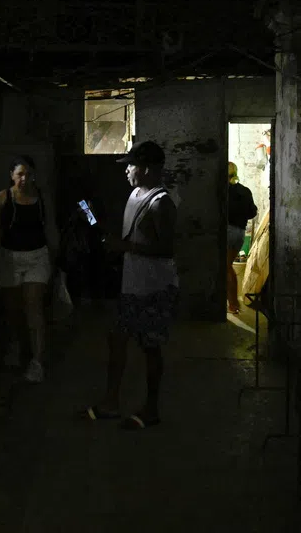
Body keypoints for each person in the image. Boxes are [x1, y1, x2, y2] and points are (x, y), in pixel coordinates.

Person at [82, 140, 178, 430]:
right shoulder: (137, 193)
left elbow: (166, 250)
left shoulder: (162, 203)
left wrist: (124, 247)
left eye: (131, 166)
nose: (126, 171)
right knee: (118, 339)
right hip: (133, 285)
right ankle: (111, 402)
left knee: (150, 348)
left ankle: (151, 409)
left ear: (147, 169)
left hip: (153, 289)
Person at [0, 155, 57, 383]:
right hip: (9, 258)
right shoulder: (4, 197)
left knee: (33, 307)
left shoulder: (42, 198)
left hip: (37, 257)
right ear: (12, 176)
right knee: (13, 310)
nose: (24, 179)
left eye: (28, 174)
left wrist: (56, 256)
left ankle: (37, 362)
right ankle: (18, 346)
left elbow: (50, 227)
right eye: (19, 174)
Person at [226, 162, 257, 315]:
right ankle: (232, 303)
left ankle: (233, 304)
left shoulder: (224, 191)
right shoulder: (245, 191)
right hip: (240, 233)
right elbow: (253, 212)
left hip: (227, 231)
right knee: (227, 266)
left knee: (225, 268)